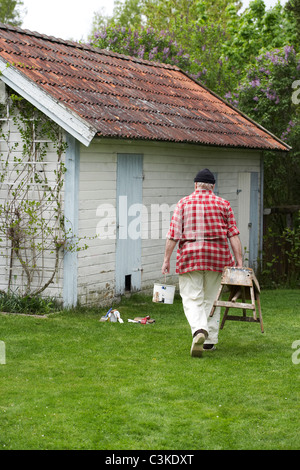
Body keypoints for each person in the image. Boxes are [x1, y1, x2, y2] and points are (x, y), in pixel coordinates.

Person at [162, 169, 243, 357]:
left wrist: (166, 259)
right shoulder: (224, 204)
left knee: (192, 297)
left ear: (195, 185)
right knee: (212, 299)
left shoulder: (183, 203)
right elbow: (233, 234)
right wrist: (239, 261)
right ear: (213, 186)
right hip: (218, 258)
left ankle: (199, 330)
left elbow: (174, 234)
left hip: (190, 258)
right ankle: (209, 341)